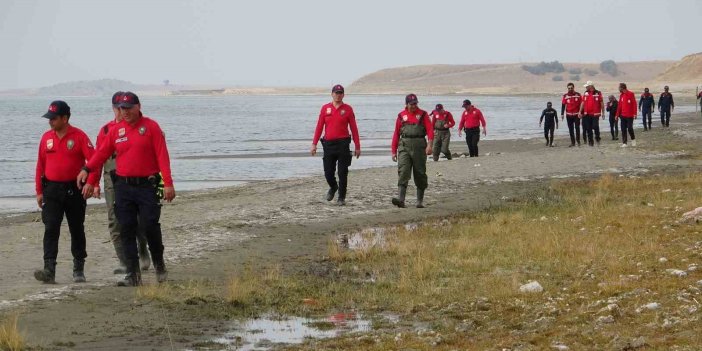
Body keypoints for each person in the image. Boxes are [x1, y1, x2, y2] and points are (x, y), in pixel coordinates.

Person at [77, 92, 175, 286]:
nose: (125, 112)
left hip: (148, 185)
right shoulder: (115, 131)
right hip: (123, 186)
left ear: (138, 106)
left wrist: (168, 184)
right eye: (122, 108)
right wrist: (86, 169)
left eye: (129, 107)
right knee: (126, 229)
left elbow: (163, 156)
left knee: (150, 226)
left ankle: (159, 264)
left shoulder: (151, 127)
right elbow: (101, 153)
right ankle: (133, 274)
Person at [34, 100, 99, 284]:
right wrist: (39, 191)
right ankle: (49, 269)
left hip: (74, 190)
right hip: (51, 190)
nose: (50, 121)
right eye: (49, 118)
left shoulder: (79, 136)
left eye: (54, 118)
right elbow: (40, 166)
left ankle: (78, 268)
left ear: (65, 118)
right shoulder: (46, 138)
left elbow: (94, 161)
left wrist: (92, 183)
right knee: (51, 228)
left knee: (76, 228)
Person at [95, 92, 151, 274]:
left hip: (136, 178)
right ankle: (125, 261)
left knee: (138, 220)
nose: (122, 111)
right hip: (112, 180)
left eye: (125, 107)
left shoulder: (140, 127)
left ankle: (142, 248)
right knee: (115, 220)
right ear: (114, 109)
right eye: (119, 108)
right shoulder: (105, 131)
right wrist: (92, 182)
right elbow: (97, 157)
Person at [310, 84, 361, 206]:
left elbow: (354, 129)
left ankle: (341, 198)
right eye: (336, 93)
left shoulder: (348, 109)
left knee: (342, 172)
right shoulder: (325, 108)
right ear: (332, 94)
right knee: (328, 172)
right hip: (328, 145)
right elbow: (319, 127)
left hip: (343, 144)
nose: (338, 95)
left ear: (343, 95)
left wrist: (357, 146)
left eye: (340, 93)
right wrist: (314, 143)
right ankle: (333, 187)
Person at [390, 94, 433, 208]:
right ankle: (401, 200)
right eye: (412, 104)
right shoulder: (401, 116)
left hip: (419, 146)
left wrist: (429, 145)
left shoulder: (423, 114)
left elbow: (430, 131)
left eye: (415, 103)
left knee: (419, 173)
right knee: (403, 171)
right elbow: (396, 134)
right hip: (404, 146)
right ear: (407, 104)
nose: (414, 106)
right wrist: (393, 151)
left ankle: (419, 201)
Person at [579, 81, 604, 146]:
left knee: (595, 126)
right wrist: (580, 111)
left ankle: (597, 138)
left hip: (595, 114)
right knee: (588, 128)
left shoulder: (598, 93)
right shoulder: (586, 93)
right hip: (587, 114)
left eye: (587, 86)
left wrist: (603, 113)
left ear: (591, 86)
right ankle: (591, 142)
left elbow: (601, 103)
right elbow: (583, 103)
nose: (586, 87)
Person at [616, 83, 638, 147]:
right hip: (622, 115)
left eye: (619, 87)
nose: (619, 89)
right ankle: (624, 143)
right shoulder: (621, 95)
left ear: (622, 88)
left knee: (630, 128)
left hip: (630, 115)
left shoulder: (631, 94)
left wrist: (635, 114)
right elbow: (619, 106)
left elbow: (634, 104)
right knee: (623, 129)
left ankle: (633, 140)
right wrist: (617, 115)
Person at [561, 83, 582, 147]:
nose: (570, 89)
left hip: (576, 115)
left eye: (571, 88)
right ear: (567, 88)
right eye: (569, 88)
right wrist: (562, 114)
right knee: (571, 129)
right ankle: (573, 142)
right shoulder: (565, 96)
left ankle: (578, 141)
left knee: (577, 128)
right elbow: (563, 105)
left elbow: (582, 104)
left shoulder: (578, 95)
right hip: (569, 115)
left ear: (573, 88)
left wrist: (581, 113)